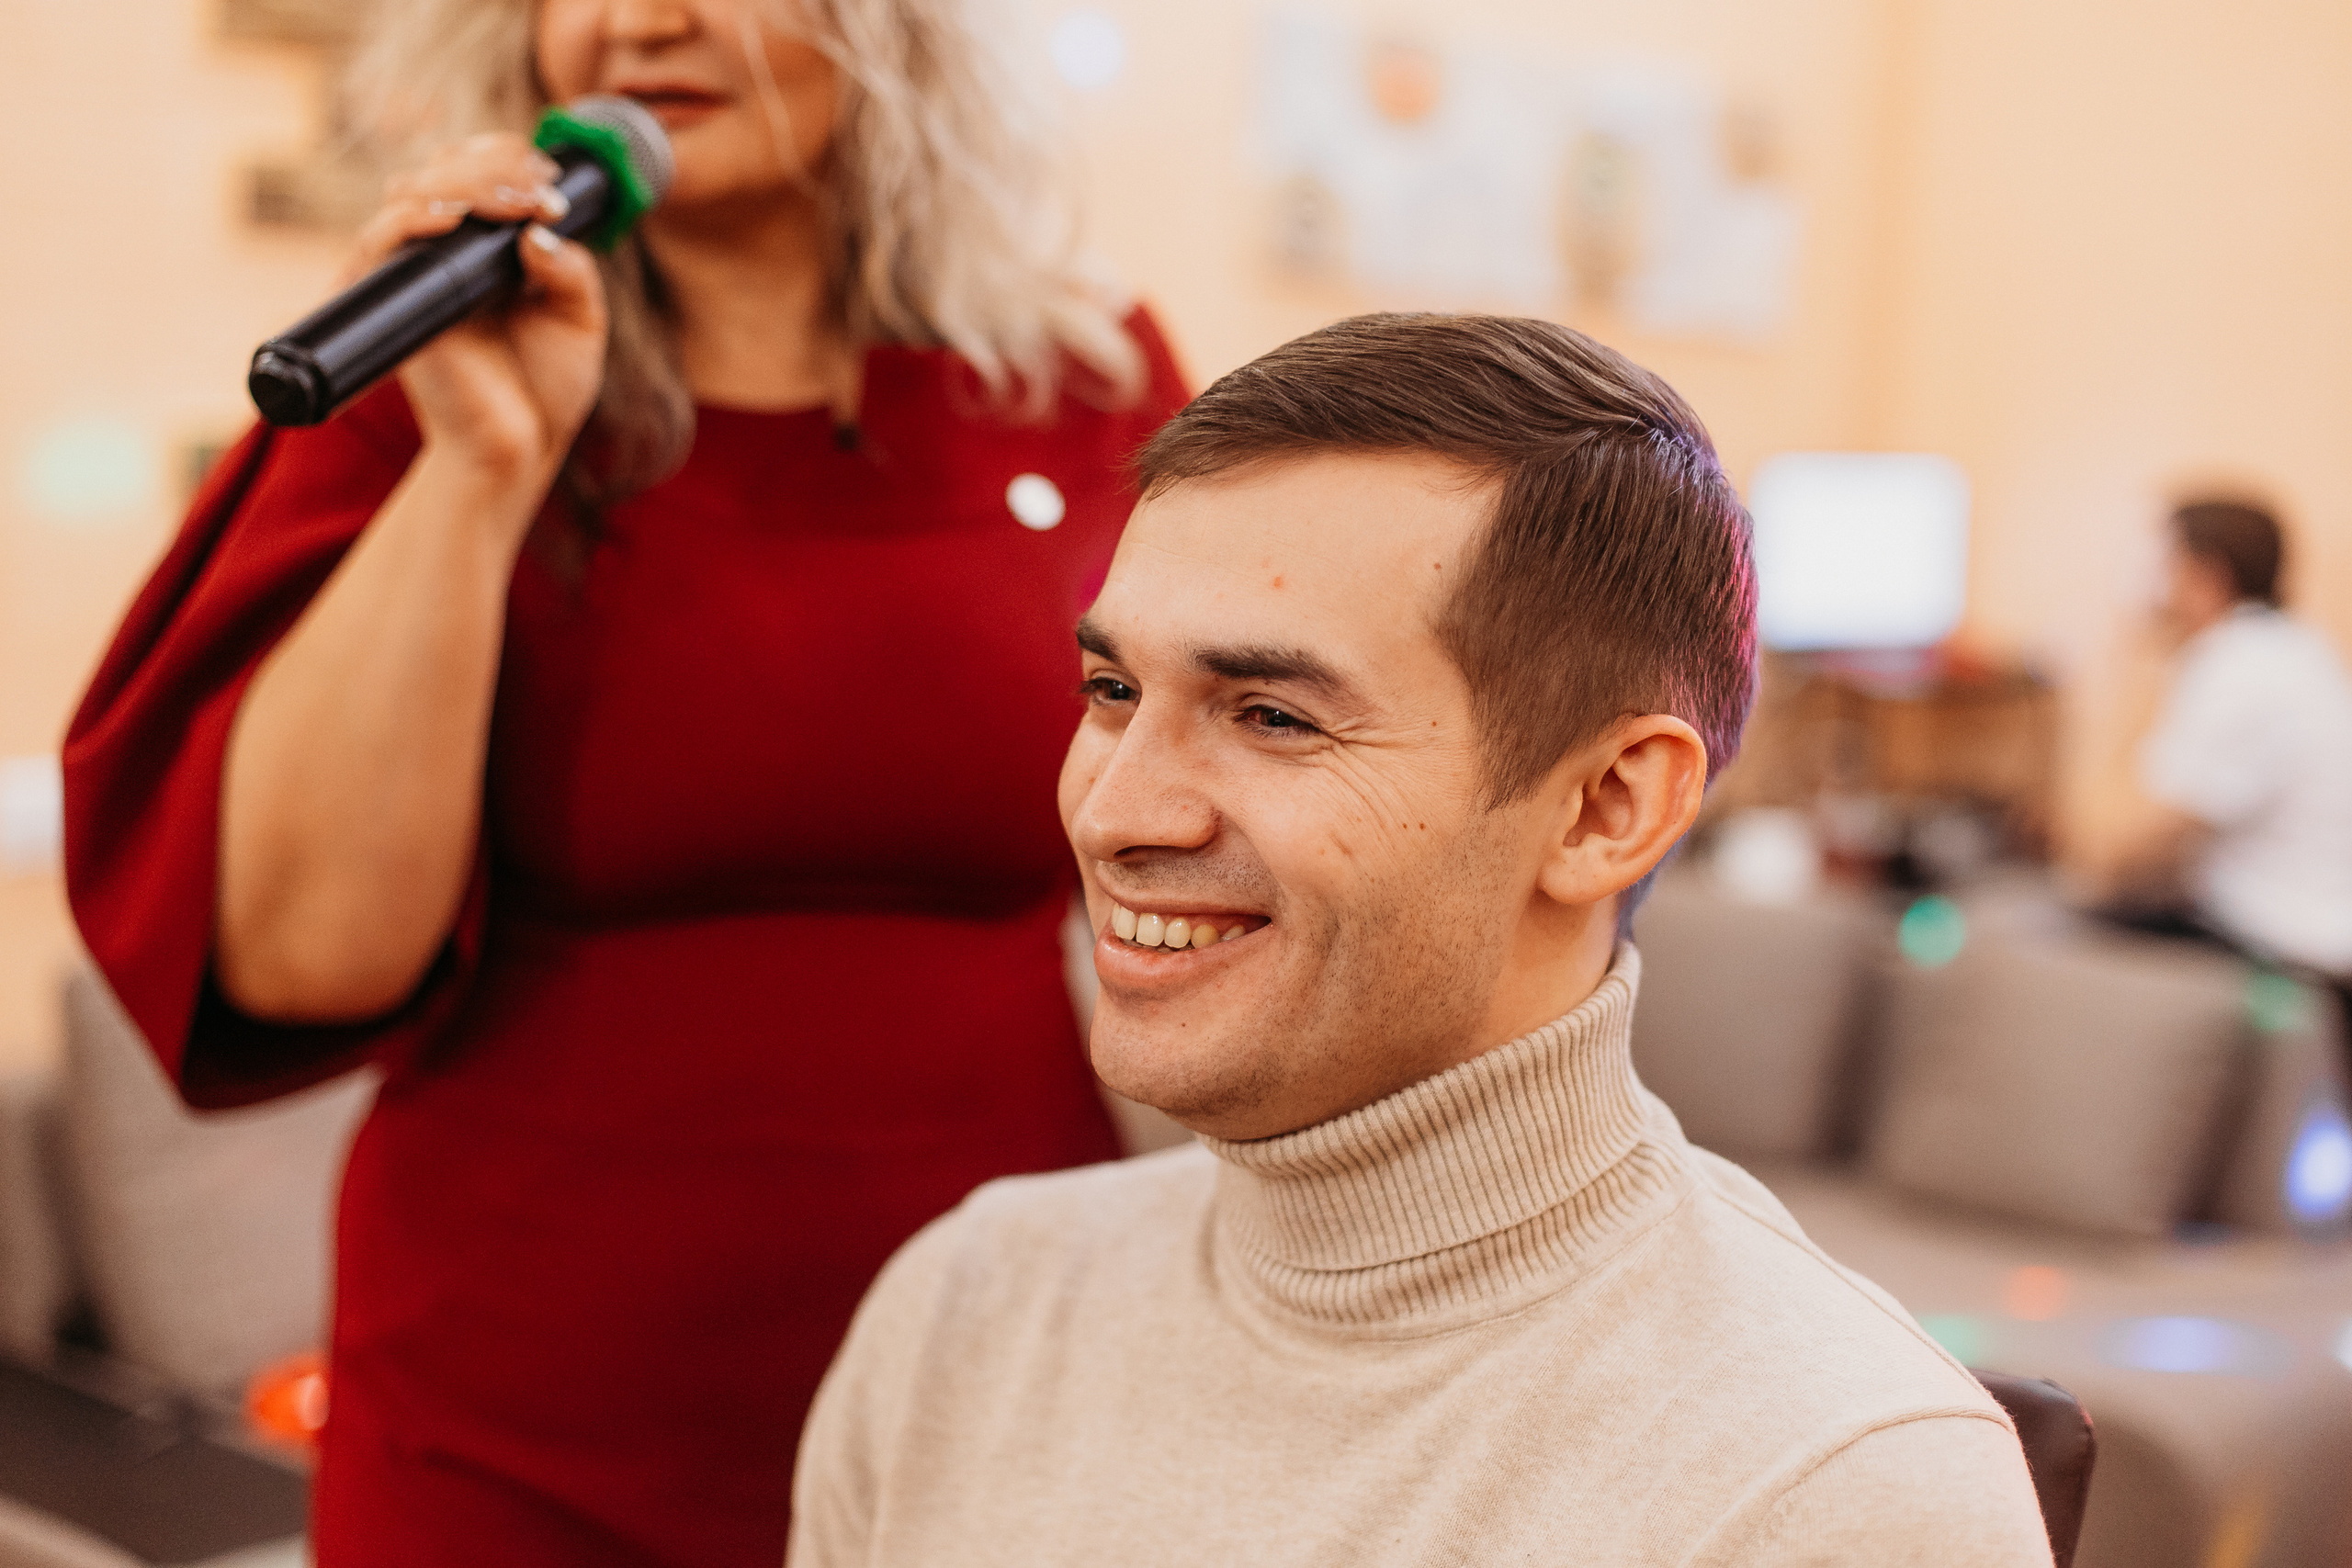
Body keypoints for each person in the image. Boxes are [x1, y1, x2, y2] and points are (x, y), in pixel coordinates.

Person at [61, 2, 1185, 1563]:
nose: (639, 18)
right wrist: (481, 466)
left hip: (1004, 1377)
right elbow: (309, 956)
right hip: (521, 1426)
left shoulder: (1087, 377)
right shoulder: (426, 364)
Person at [789, 315, 2053, 1566]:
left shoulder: (1842, 1493)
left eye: (1273, 716)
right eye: (1113, 693)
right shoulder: (967, 1311)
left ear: (1608, 807)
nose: (1113, 812)